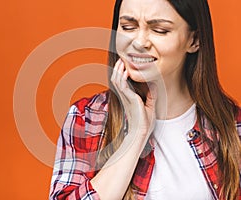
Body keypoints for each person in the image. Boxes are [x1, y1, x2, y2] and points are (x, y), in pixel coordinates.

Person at [49, 0, 241, 199]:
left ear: (194, 41)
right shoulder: (86, 118)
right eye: (128, 27)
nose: (139, 42)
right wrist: (135, 137)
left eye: (159, 30)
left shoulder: (233, 127)